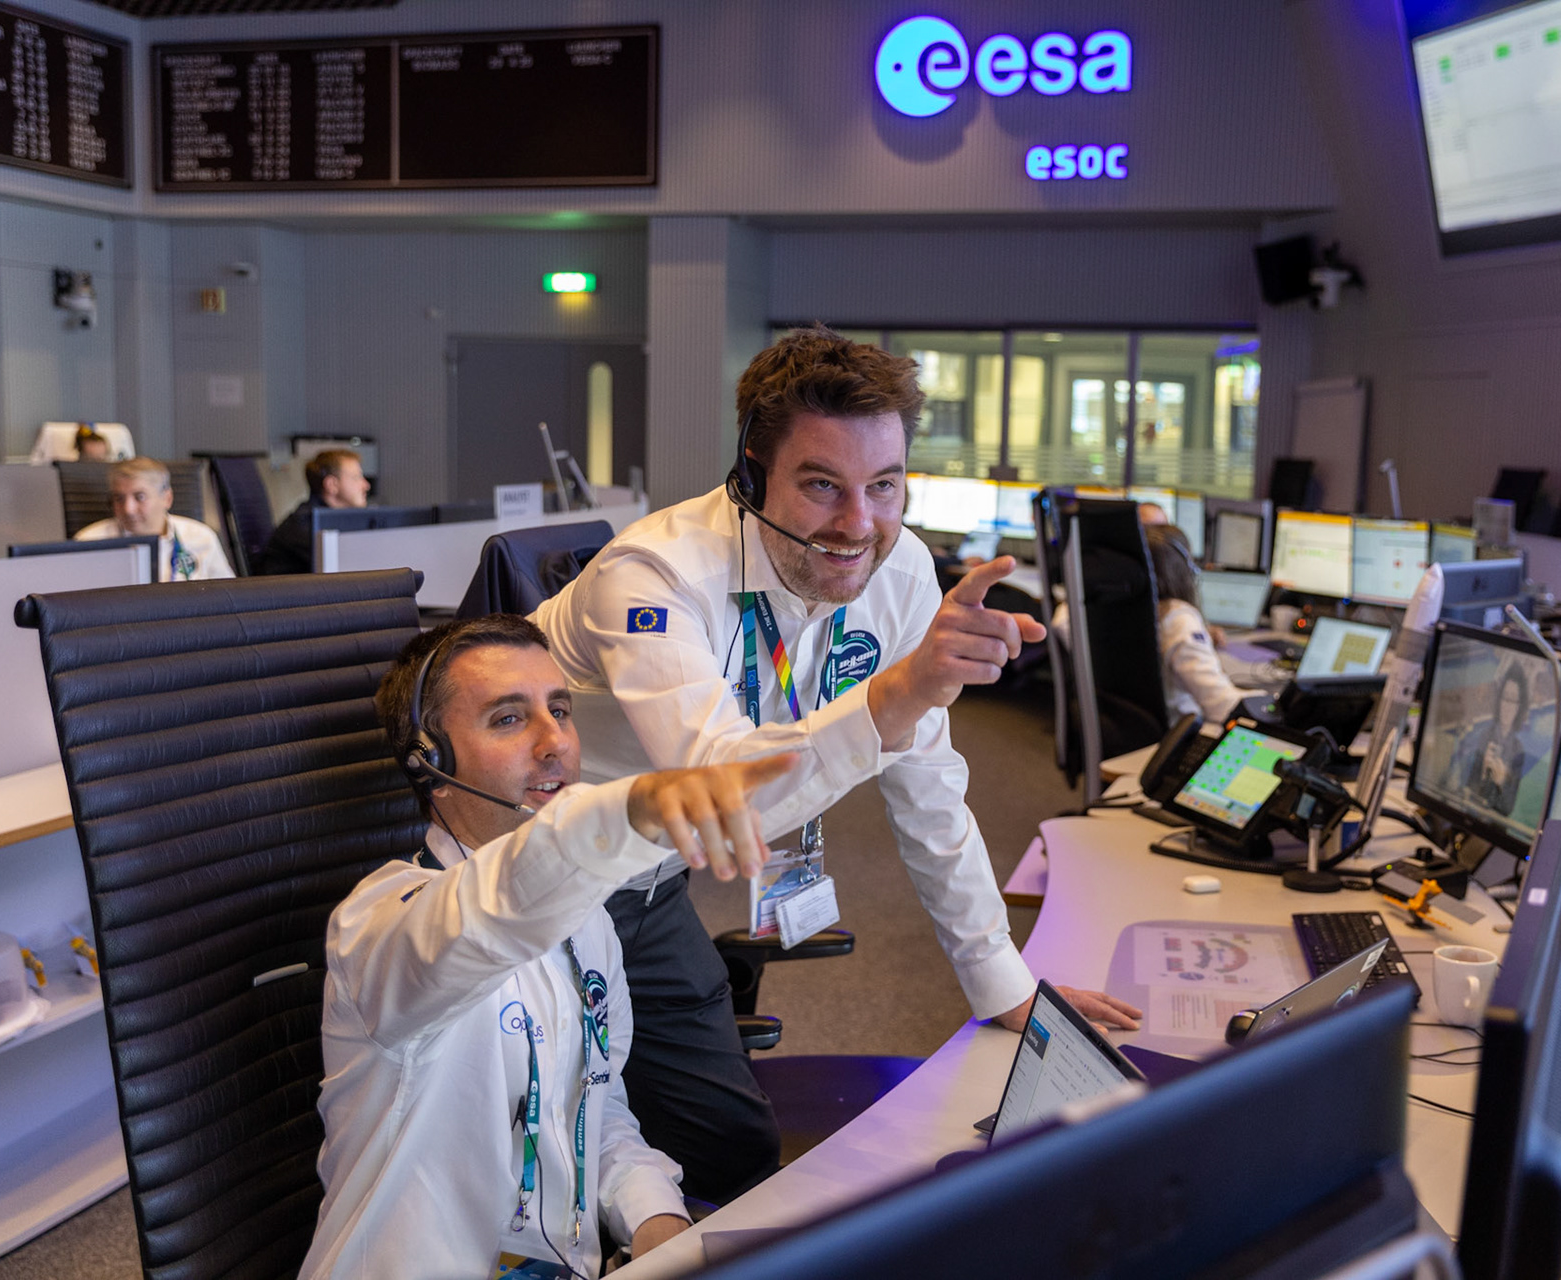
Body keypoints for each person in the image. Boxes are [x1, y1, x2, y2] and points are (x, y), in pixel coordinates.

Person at [532, 326, 1140, 1204]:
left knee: (732, 1148)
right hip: (533, 889)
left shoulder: (897, 574)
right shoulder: (656, 576)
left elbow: (928, 782)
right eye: (822, 485)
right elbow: (717, 792)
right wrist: (894, 697)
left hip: (647, 884)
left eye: (884, 486)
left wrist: (1001, 978)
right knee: (553, 1153)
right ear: (750, 475)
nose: (860, 525)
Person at [303, 614, 791, 1279]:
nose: (554, 741)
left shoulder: (588, 923)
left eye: (559, 709)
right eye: (508, 719)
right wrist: (620, 815)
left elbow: (595, 1102)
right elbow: (488, 914)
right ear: (432, 765)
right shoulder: (383, 925)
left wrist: (656, 1219)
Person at [1146, 523, 1248, 723]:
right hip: (1178, 736)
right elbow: (1221, 706)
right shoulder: (1177, 619)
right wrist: (1271, 700)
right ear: (1186, 568)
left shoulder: (1118, 610)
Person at [74, 456, 234, 582]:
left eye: (140, 497)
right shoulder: (88, 543)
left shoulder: (200, 537)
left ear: (167, 498)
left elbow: (228, 600)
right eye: (119, 498)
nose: (128, 509)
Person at [260, 449, 371, 575]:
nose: (366, 485)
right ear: (332, 484)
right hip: (289, 593)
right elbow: (347, 565)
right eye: (356, 477)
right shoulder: (304, 524)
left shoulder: (331, 520)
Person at [1448, 663, 1533, 817]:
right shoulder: (1482, 736)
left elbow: (1507, 809)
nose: (1508, 706)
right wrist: (1482, 773)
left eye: (1513, 700)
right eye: (1505, 697)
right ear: (1499, 700)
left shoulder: (1518, 750)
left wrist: (1501, 783)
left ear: (1519, 706)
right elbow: (1463, 791)